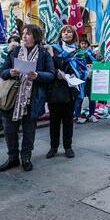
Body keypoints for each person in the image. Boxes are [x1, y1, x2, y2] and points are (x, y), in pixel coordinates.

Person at [0, 25, 55, 172]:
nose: (24, 36)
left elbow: (51, 74)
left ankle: (26, 157)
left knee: (29, 131)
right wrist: (10, 72)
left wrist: (38, 75)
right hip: (12, 99)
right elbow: (2, 72)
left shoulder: (43, 54)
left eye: (27, 34)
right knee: (9, 130)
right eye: (23, 33)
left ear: (35, 36)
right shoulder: (14, 51)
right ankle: (12, 158)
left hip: (32, 99)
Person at [47, 25, 89, 158]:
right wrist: (56, 74)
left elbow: (83, 69)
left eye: (69, 32)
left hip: (70, 91)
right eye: (64, 31)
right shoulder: (53, 49)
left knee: (68, 121)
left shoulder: (79, 51)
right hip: (55, 90)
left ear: (73, 35)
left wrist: (74, 76)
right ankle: (53, 147)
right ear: (60, 34)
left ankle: (68, 147)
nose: (67, 34)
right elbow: (47, 67)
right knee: (54, 122)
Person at [78, 39, 98, 123]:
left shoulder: (92, 53)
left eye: (85, 43)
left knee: (92, 97)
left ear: (88, 45)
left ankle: (91, 115)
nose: (83, 45)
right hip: (81, 79)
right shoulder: (77, 54)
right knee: (80, 98)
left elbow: (96, 62)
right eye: (82, 43)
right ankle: (77, 116)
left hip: (90, 78)